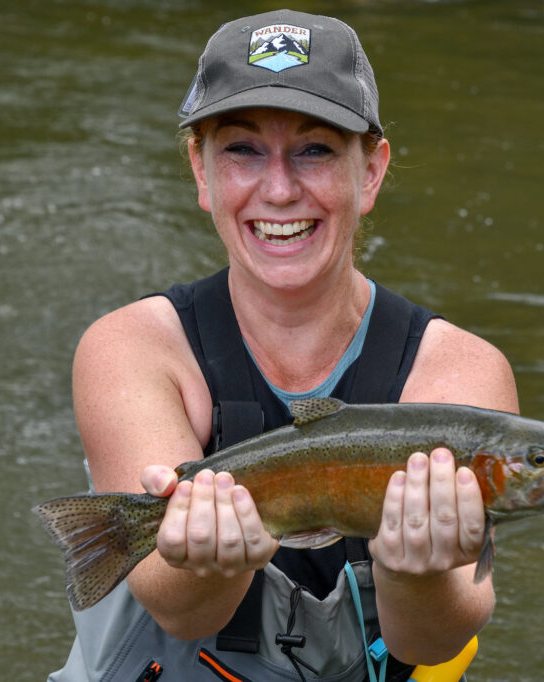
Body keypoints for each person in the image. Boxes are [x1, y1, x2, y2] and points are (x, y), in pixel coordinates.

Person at [49, 9, 517, 682]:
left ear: (372, 173)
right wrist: (215, 559)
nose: (278, 189)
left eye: (316, 150)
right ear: (201, 171)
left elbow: (437, 642)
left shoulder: (460, 371)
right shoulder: (131, 348)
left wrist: (416, 575)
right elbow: (177, 611)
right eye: (241, 150)